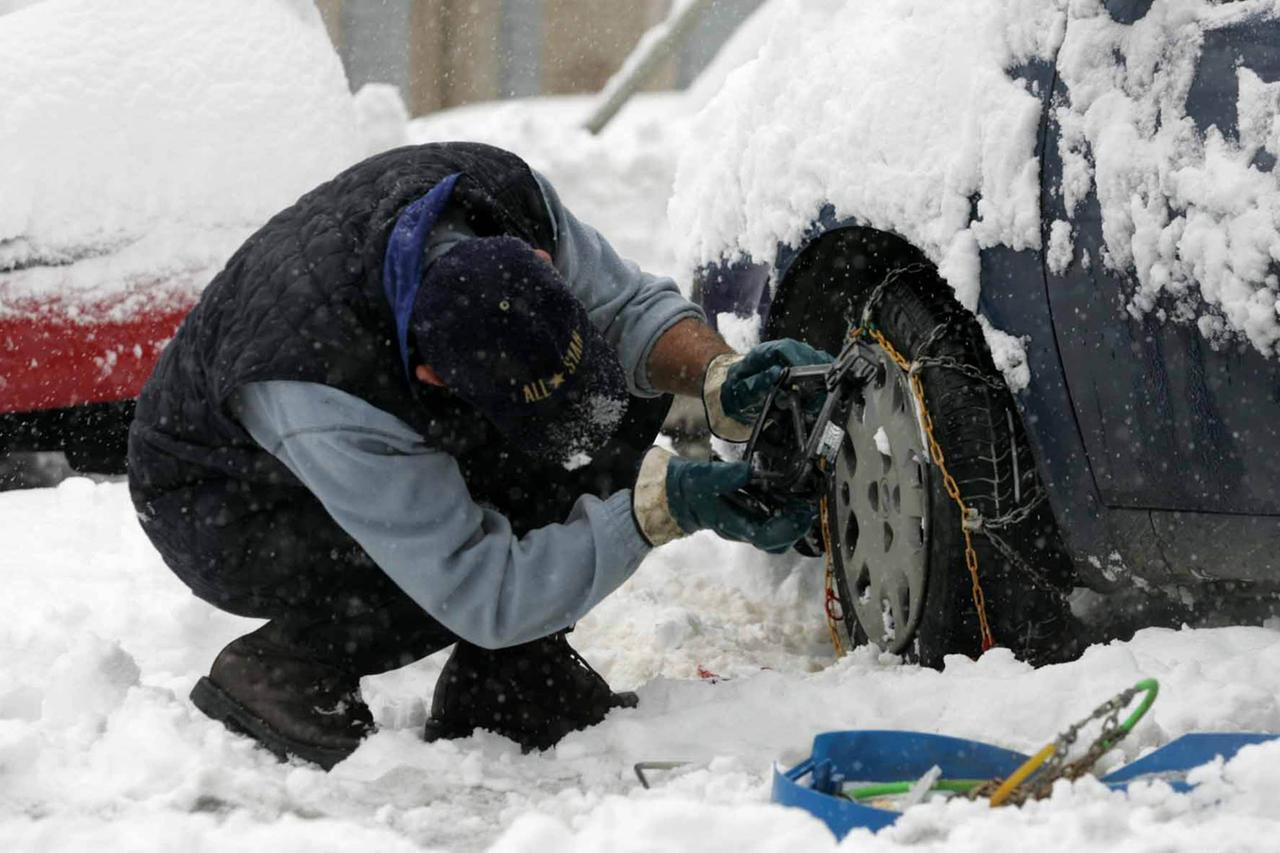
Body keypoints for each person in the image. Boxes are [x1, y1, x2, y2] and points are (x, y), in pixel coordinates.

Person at [127, 142, 832, 769]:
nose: (583, 443)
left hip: (366, 376)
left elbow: (624, 310)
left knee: (617, 398)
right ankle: (286, 663)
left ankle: (510, 680)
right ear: (437, 379)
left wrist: (717, 375)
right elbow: (477, 587)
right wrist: (664, 506)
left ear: (541, 263)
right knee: (427, 562)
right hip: (223, 499)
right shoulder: (326, 396)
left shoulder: (502, 198)